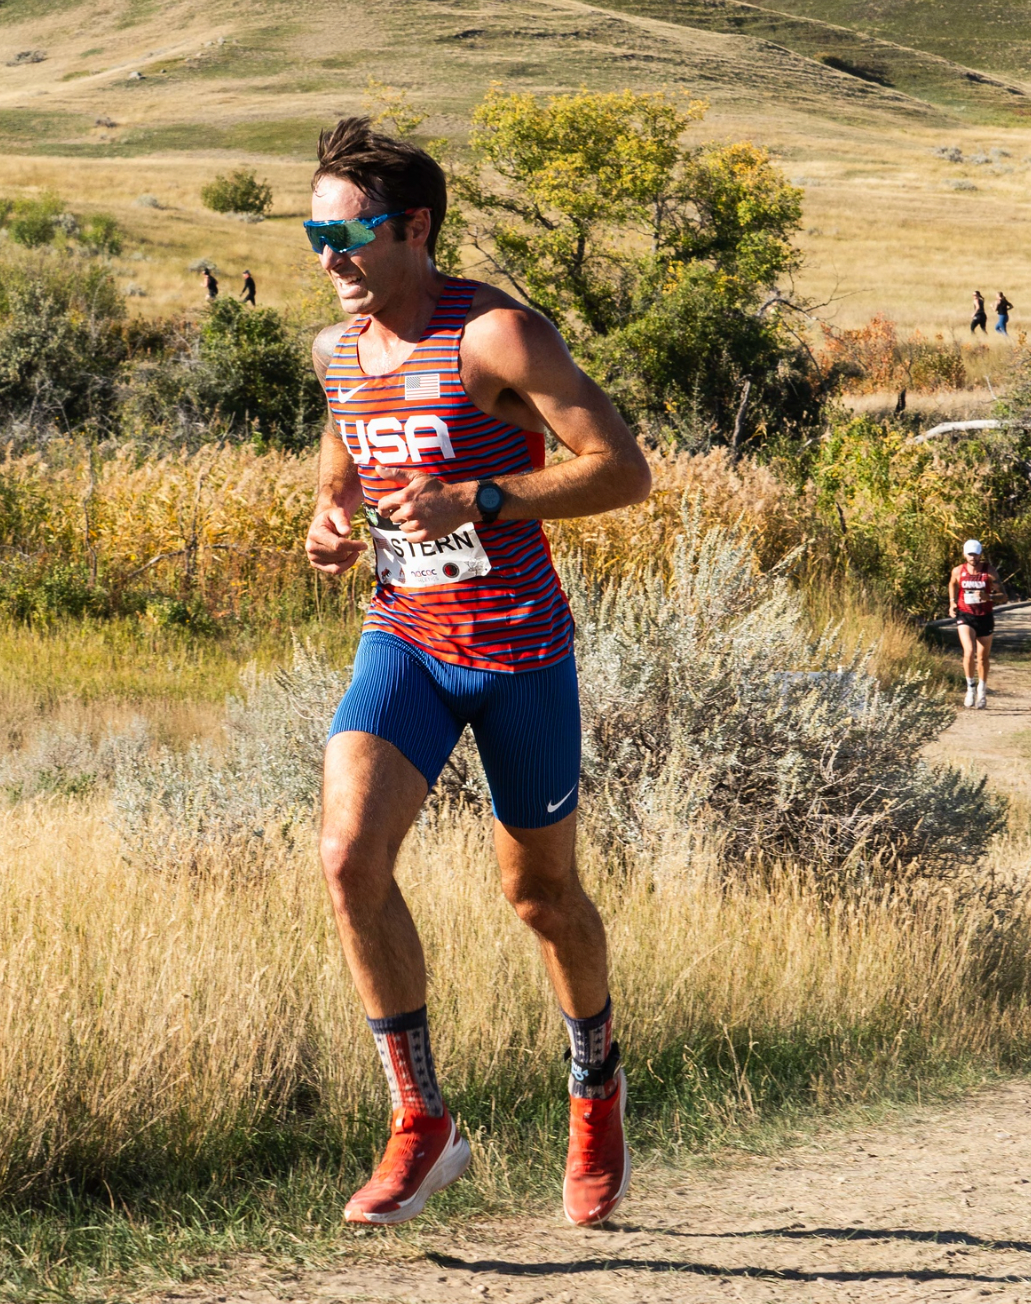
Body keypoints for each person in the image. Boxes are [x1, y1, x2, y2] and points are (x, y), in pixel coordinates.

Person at [301, 116, 653, 1228]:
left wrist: (484, 498)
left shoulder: (495, 336)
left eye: (346, 230)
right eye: (311, 230)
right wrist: (327, 513)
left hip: (518, 653)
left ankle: (593, 1088)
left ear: (414, 227)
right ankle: (422, 1120)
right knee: (348, 853)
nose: (327, 253)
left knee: (539, 897)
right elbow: (348, 440)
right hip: (405, 633)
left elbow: (623, 470)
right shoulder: (333, 349)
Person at [952, 539, 1005, 708]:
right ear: (964, 554)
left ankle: (982, 689)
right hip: (965, 615)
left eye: (975, 554)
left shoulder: (989, 572)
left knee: (982, 658)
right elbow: (952, 584)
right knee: (968, 651)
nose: (973, 557)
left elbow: (1004, 597)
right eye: (970, 554)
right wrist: (952, 602)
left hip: (985, 616)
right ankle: (970, 688)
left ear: (980, 554)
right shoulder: (958, 571)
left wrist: (988, 597)